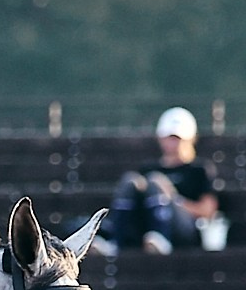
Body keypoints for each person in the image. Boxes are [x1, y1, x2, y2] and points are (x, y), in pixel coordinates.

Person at [91, 108, 222, 257]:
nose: (173, 143)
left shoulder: (199, 170)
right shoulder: (147, 168)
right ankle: (116, 241)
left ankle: (161, 237)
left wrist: (172, 198)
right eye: (169, 138)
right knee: (130, 182)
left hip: (182, 229)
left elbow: (207, 211)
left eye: (177, 138)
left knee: (155, 182)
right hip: (145, 226)